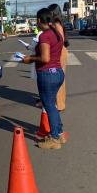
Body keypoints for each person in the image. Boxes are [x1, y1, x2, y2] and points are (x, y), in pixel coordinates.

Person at [23, 8, 66, 149]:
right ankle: (58, 133)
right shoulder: (56, 32)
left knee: (49, 106)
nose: (36, 23)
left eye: (37, 20)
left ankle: (54, 138)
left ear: (40, 20)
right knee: (52, 105)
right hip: (58, 72)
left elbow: (45, 58)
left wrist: (30, 58)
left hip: (48, 74)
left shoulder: (45, 36)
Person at [47, 4, 68, 112]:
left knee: (58, 79)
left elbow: (60, 41)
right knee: (58, 78)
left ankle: (60, 105)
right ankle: (57, 102)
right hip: (59, 51)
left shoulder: (57, 24)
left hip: (59, 53)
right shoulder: (55, 23)